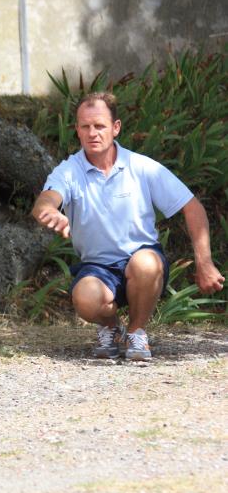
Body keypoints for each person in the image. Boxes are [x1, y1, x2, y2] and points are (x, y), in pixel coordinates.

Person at [31, 91, 224, 361]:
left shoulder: (142, 167)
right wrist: (50, 211)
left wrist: (204, 262)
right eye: (85, 126)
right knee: (85, 298)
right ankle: (113, 329)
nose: (92, 133)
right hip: (97, 268)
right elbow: (45, 201)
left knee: (145, 263)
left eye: (99, 126)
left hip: (141, 260)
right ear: (76, 130)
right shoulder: (69, 170)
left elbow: (193, 208)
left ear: (116, 128)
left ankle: (136, 332)